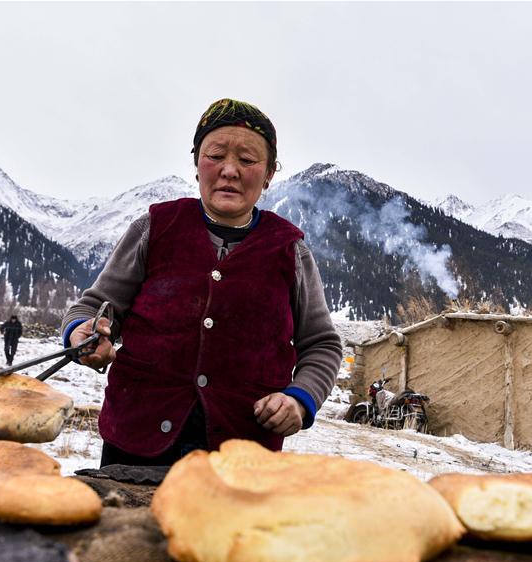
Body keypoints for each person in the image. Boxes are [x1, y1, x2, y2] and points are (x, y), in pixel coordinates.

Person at [62, 98, 342, 467]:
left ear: (270, 173)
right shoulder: (154, 228)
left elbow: (321, 344)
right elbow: (93, 308)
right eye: (216, 155)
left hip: (243, 452)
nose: (229, 170)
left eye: (247, 160)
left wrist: (300, 398)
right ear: (197, 164)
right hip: (136, 442)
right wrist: (84, 333)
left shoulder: (290, 249)